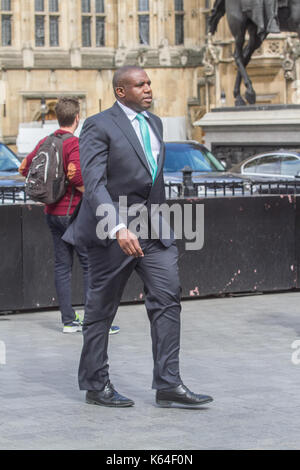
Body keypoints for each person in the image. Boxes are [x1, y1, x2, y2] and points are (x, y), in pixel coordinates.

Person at [63, 65, 214, 408]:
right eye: (140, 84)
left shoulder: (155, 123)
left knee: (167, 299)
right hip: (110, 231)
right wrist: (118, 226)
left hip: (153, 230)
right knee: (101, 310)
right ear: (121, 91)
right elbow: (95, 183)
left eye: (149, 83)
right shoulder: (99, 125)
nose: (148, 88)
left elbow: (152, 180)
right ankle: (95, 384)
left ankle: (168, 384)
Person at [19, 97, 120, 336]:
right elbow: (76, 177)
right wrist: (96, 198)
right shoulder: (74, 143)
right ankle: (92, 322)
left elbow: (24, 166)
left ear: (56, 116)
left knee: (62, 266)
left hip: (51, 213)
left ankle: (68, 320)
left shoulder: (46, 140)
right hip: (73, 213)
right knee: (89, 265)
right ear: (77, 118)